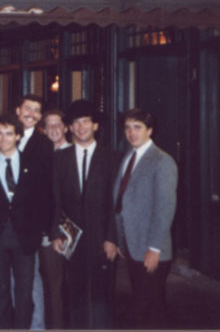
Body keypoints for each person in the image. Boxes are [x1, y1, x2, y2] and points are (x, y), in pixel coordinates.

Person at [0, 115, 53, 329]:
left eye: (9, 133)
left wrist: (39, 232)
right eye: (0, 133)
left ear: (17, 136)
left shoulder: (34, 164)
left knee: (24, 293)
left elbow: (43, 200)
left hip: (24, 239)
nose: (4, 138)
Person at [52, 100, 120, 328]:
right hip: (72, 239)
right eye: (76, 123)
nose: (81, 127)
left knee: (103, 296)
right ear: (69, 128)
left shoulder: (112, 158)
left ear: (95, 126)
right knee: (75, 295)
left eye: (86, 122)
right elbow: (55, 200)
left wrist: (112, 237)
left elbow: (115, 202)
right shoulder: (60, 159)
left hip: (102, 239)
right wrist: (56, 234)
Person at [112, 108, 178, 329]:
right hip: (132, 245)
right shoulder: (128, 157)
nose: (131, 132)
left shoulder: (162, 161)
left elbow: (165, 207)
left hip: (151, 248)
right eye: (128, 127)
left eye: (137, 127)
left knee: (150, 308)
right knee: (143, 303)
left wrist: (155, 247)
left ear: (149, 130)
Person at [15, 94, 55, 329]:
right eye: (27, 108)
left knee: (32, 281)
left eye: (36, 110)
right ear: (18, 109)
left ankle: (36, 326)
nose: (31, 113)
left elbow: (46, 189)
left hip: (30, 224)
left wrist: (45, 227)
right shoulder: (4, 136)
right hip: (6, 224)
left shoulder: (44, 144)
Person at [37, 108, 72, 330]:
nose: (53, 129)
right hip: (50, 233)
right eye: (49, 125)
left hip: (75, 231)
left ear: (66, 127)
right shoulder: (42, 156)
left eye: (58, 124)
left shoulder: (77, 153)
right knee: (53, 286)